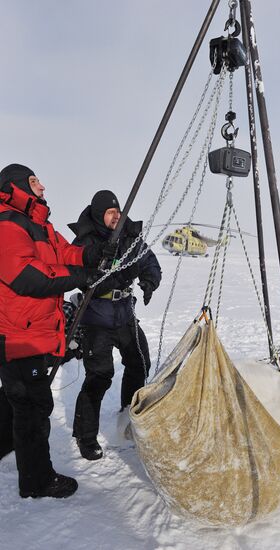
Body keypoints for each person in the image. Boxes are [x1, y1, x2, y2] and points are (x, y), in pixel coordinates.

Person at [0, 163, 114, 498]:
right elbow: (27, 276)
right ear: (17, 185)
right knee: (32, 407)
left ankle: (18, 456)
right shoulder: (7, 224)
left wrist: (92, 254)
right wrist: (82, 278)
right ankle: (36, 481)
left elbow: (66, 252)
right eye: (35, 182)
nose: (43, 187)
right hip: (17, 335)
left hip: (33, 331)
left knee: (25, 402)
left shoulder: (39, 224)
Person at [69, 190, 161, 461]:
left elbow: (150, 262)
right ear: (99, 215)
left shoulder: (130, 237)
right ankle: (85, 436)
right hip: (96, 318)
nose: (116, 216)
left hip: (124, 315)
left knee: (139, 361)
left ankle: (127, 413)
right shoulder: (85, 241)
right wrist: (107, 273)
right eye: (110, 212)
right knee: (99, 376)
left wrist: (148, 282)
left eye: (118, 211)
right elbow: (79, 276)